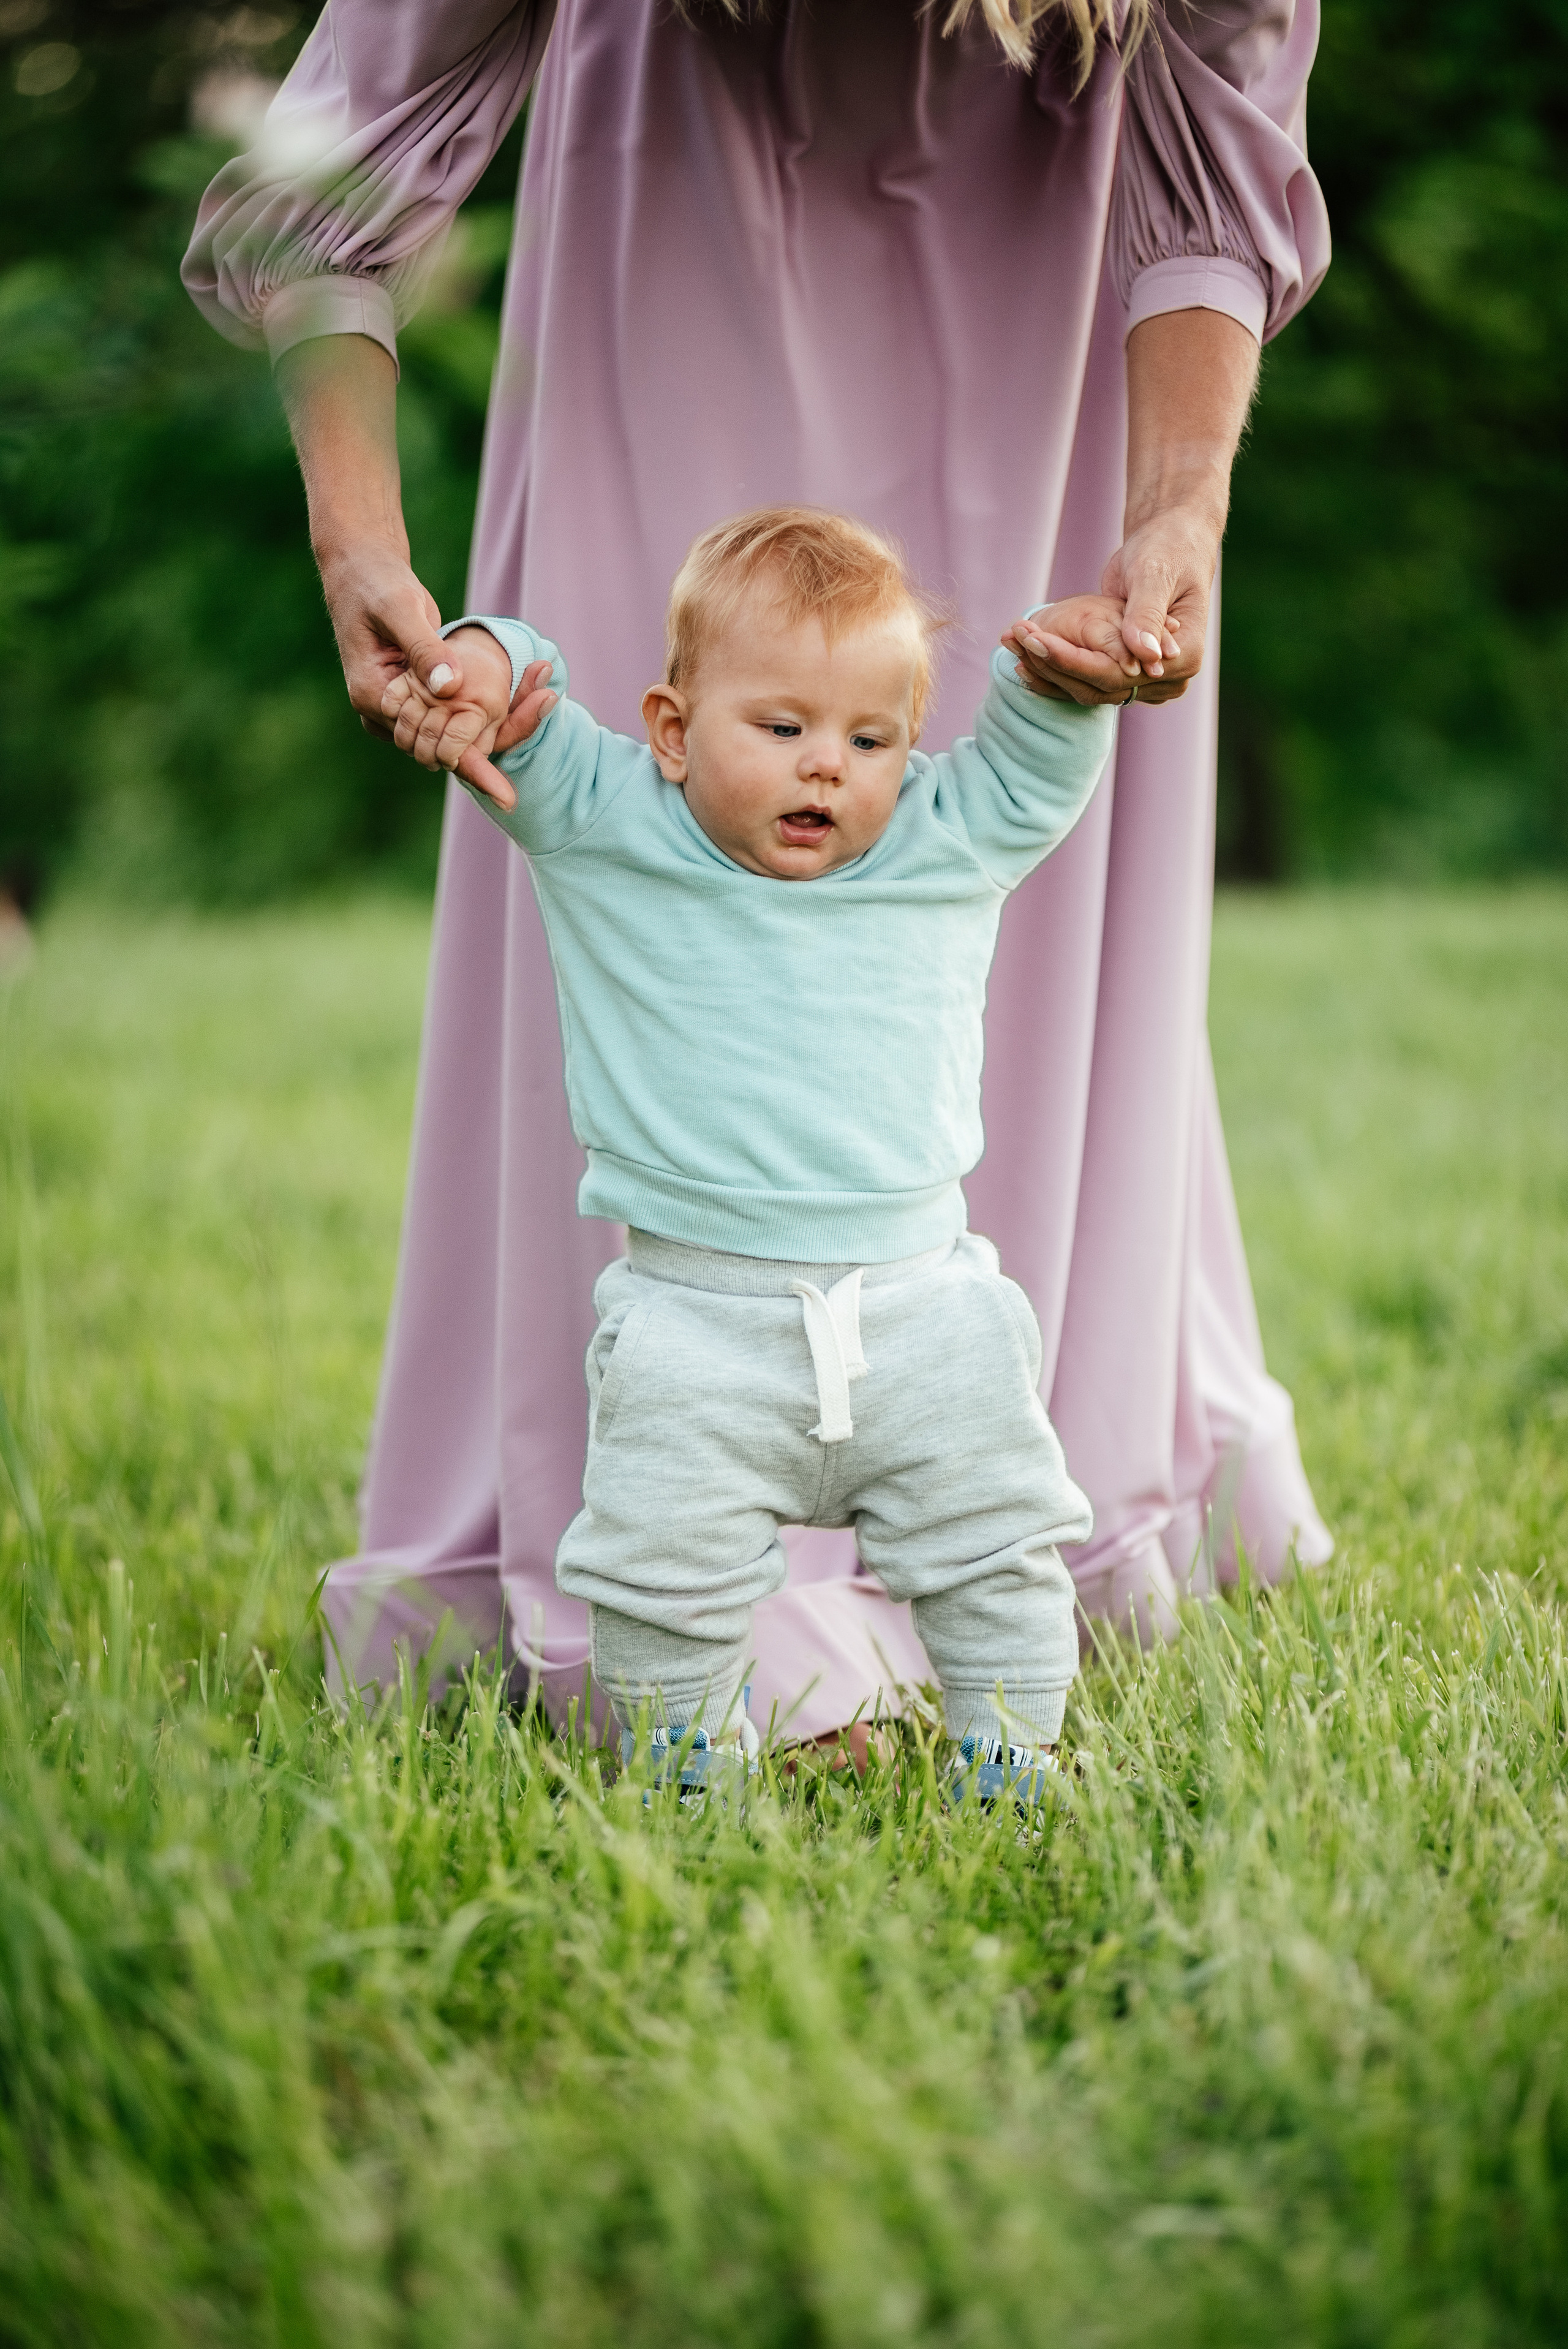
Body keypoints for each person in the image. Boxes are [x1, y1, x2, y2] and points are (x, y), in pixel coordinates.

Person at [184, 0, 1335, 1757]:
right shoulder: (618, 728)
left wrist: (1181, 503)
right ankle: (699, 1601)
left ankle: (1032, 1518)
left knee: (998, 877)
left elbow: (1225, 151)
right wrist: (360, 543)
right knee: (658, 842)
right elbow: (325, 154)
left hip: (1052, 310)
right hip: (668, 250)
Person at [390, 504, 1121, 1793]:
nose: (824, 767)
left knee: (997, 1550)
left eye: (868, 737)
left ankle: (1007, 1761)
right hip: (694, 1325)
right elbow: (515, 700)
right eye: (779, 729)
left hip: (925, 1316)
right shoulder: (613, 822)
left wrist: (1054, 681)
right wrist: (481, 658)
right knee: (657, 1580)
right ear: (673, 732)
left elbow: (1026, 774)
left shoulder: (938, 841)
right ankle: (689, 1771)